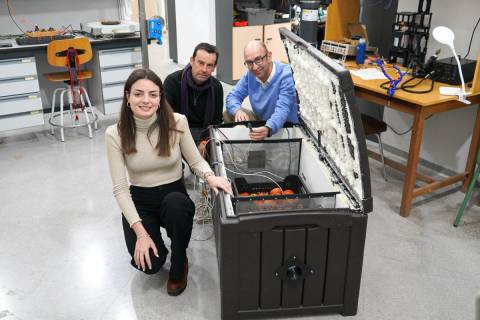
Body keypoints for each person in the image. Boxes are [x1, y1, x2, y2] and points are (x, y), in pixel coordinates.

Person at [105, 68, 232, 296]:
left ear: (160, 97)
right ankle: (159, 248)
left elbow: (195, 161)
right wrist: (142, 235)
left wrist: (211, 177)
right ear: (127, 96)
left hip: (173, 194)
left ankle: (180, 257)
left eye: (153, 94)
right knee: (150, 264)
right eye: (138, 94)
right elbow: (121, 190)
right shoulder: (115, 134)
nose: (146, 100)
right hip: (140, 200)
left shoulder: (176, 122)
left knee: (176, 206)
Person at [225, 40, 299, 141]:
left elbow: (282, 109)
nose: (255, 67)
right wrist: (237, 110)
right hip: (263, 120)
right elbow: (232, 97)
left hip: (284, 126)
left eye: (258, 60)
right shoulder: (250, 75)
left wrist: (269, 128)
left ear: (269, 56)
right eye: (249, 62)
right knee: (229, 113)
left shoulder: (286, 75)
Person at [164, 43, 223, 157]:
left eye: (209, 65)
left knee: (215, 155)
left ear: (214, 68)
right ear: (192, 61)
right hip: (178, 131)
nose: (204, 69)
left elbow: (216, 122)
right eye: (200, 63)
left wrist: (205, 141)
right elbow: (165, 117)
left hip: (203, 133)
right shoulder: (173, 82)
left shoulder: (216, 87)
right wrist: (184, 142)